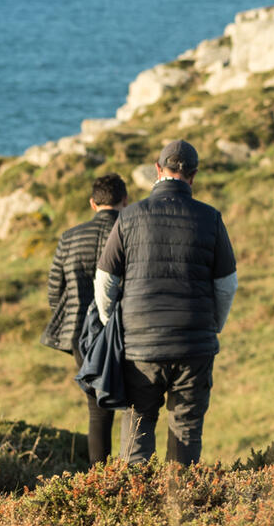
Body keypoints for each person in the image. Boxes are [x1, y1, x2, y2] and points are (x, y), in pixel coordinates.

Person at [93, 140, 237, 465]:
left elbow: (105, 279)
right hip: (194, 346)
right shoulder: (210, 219)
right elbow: (227, 285)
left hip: (140, 347)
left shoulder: (129, 217)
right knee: (186, 431)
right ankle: (180, 507)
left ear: (158, 170)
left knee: (137, 428)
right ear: (194, 175)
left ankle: (135, 504)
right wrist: (213, 325)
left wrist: (110, 322)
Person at [41, 174, 129, 464]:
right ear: (125, 201)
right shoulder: (130, 231)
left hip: (81, 336)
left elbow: (55, 290)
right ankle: (136, 477)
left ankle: (99, 479)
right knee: (133, 407)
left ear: (93, 203)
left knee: (97, 411)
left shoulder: (70, 237)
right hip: (123, 332)